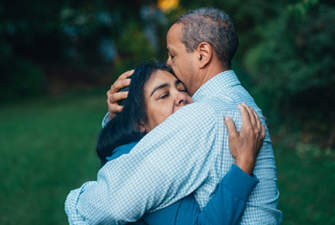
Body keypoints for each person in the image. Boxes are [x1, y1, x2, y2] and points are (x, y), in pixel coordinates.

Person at [66, 7, 282, 224]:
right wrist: (121, 117)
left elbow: (113, 204)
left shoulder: (203, 115)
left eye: (173, 54)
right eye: (163, 94)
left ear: (202, 54)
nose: (168, 63)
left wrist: (75, 201)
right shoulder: (238, 101)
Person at [93, 60, 263, 225]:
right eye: (163, 95)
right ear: (139, 123)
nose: (181, 96)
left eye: (182, 88)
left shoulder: (144, 147)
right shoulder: (153, 167)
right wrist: (243, 164)